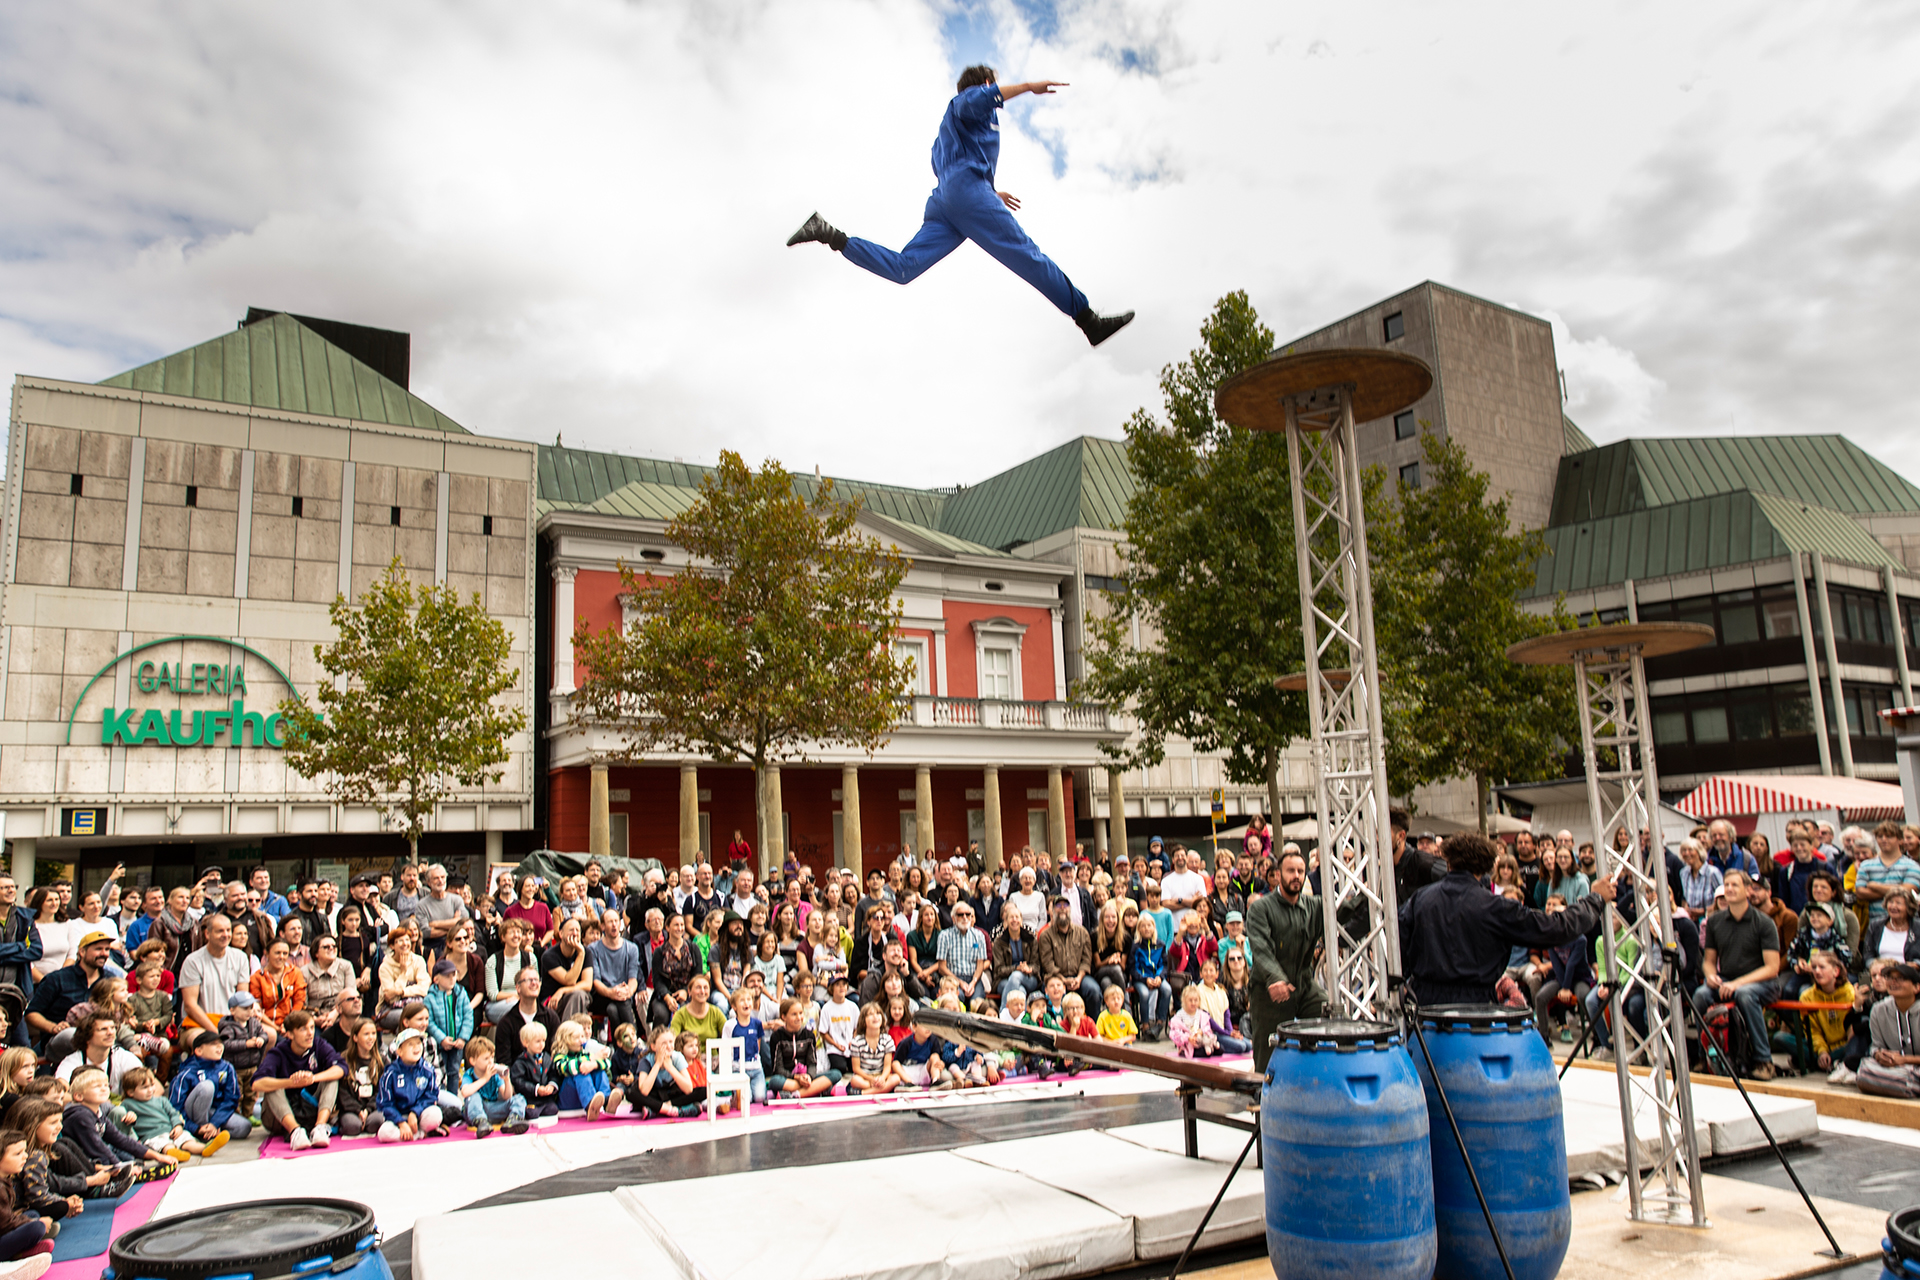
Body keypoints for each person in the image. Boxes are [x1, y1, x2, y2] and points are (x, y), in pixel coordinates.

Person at [789, 62, 1139, 345]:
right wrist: (1028, 86)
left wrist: (987, 191)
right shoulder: (969, 100)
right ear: (986, 83)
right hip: (965, 195)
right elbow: (982, 102)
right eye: (992, 88)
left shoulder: (948, 129)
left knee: (903, 268)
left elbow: (954, 169)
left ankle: (830, 234)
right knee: (1027, 257)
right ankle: (1089, 321)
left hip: (946, 202)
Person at [1402, 834, 1615, 1009]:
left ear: (1448, 862)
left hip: (1424, 1007)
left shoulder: (1420, 900)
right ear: (1486, 868)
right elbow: (1553, 928)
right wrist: (1594, 900)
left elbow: (1395, 946)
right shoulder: (1495, 906)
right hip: (1474, 1008)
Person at [1691, 869, 1784, 1080]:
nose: (1729, 889)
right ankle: (1704, 1055)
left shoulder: (1764, 923)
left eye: (1735, 885)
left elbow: (1772, 968)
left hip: (1763, 982)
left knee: (1745, 994)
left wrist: (1737, 984)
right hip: (1728, 979)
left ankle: (1763, 1060)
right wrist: (1711, 975)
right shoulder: (1715, 922)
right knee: (1700, 994)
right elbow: (1709, 962)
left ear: (1748, 890)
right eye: (1727, 885)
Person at [1245, 850, 1329, 1072]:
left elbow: (1345, 912)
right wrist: (1275, 978)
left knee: (1332, 1019)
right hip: (1268, 988)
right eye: (1291, 871)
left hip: (1303, 983)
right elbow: (1261, 948)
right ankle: (1262, 1096)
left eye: (1301, 871)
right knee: (1268, 1050)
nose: (1297, 876)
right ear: (1277, 875)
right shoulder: (1261, 908)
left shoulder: (1315, 906)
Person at [251, 1010, 343, 1150]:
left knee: (331, 1078)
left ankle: (319, 1128)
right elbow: (257, 1083)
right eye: (303, 1029)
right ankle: (295, 1132)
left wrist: (312, 1079)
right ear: (290, 1034)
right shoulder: (278, 1052)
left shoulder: (319, 1045)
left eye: (312, 1027)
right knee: (272, 1085)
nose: (310, 1033)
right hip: (280, 1116)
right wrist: (290, 1082)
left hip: (310, 1110)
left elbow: (341, 1068)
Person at [168, 1030, 249, 1142]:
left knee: (244, 1127)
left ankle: (209, 1132)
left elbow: (231, 1099)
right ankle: (200, 1131)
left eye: (220, 1044)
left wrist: (215, 1123)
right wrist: (195, 1128)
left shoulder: (227, 1067)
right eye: (213, 1044)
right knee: (207, 1087)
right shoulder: (187, 1072)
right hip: (190, 1114)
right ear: (199, 1051)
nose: (219, 1047)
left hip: (213, 1112)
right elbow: (175, 1107)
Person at [1854, 961, 1920, 1098]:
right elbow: (1875, 1046)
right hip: (1894, 1068)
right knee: (1865, 1066)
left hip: (1909, 1065)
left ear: (1916, 987)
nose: (1893, 982)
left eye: (1900, 978)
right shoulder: (1878, 1009)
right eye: (1890, 977)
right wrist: (1879, 1055)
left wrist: (1904, 1060)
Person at [375, 1028, 446, 1142]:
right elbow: (385, 1104)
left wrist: (414, 1112)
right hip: (398, 1117)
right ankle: (420, 1134)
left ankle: (416, 1133)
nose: (416, 1047)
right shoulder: (390, 1074)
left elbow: (431, 1096)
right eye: (410, 1044)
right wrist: (401, 1122)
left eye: (418, 1043)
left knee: (436, 1114)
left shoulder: (428, 1069)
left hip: (419, 1115)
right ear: (399, 1051)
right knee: (384, 1133)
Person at [458, 1036, 529, 1137]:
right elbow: (465, 1092)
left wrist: (506, 1080)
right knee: (473, 1096)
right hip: (475, 1111)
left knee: (519, 1098)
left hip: (493, 1108)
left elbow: (506, 1096)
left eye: (492, 1057)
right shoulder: (469, 1075)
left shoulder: (495, 1075)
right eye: (486, 1058)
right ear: (473, 1061)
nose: (491, 1061)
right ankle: (481, 1123)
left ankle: (514, 1119)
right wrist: (485, 1078)